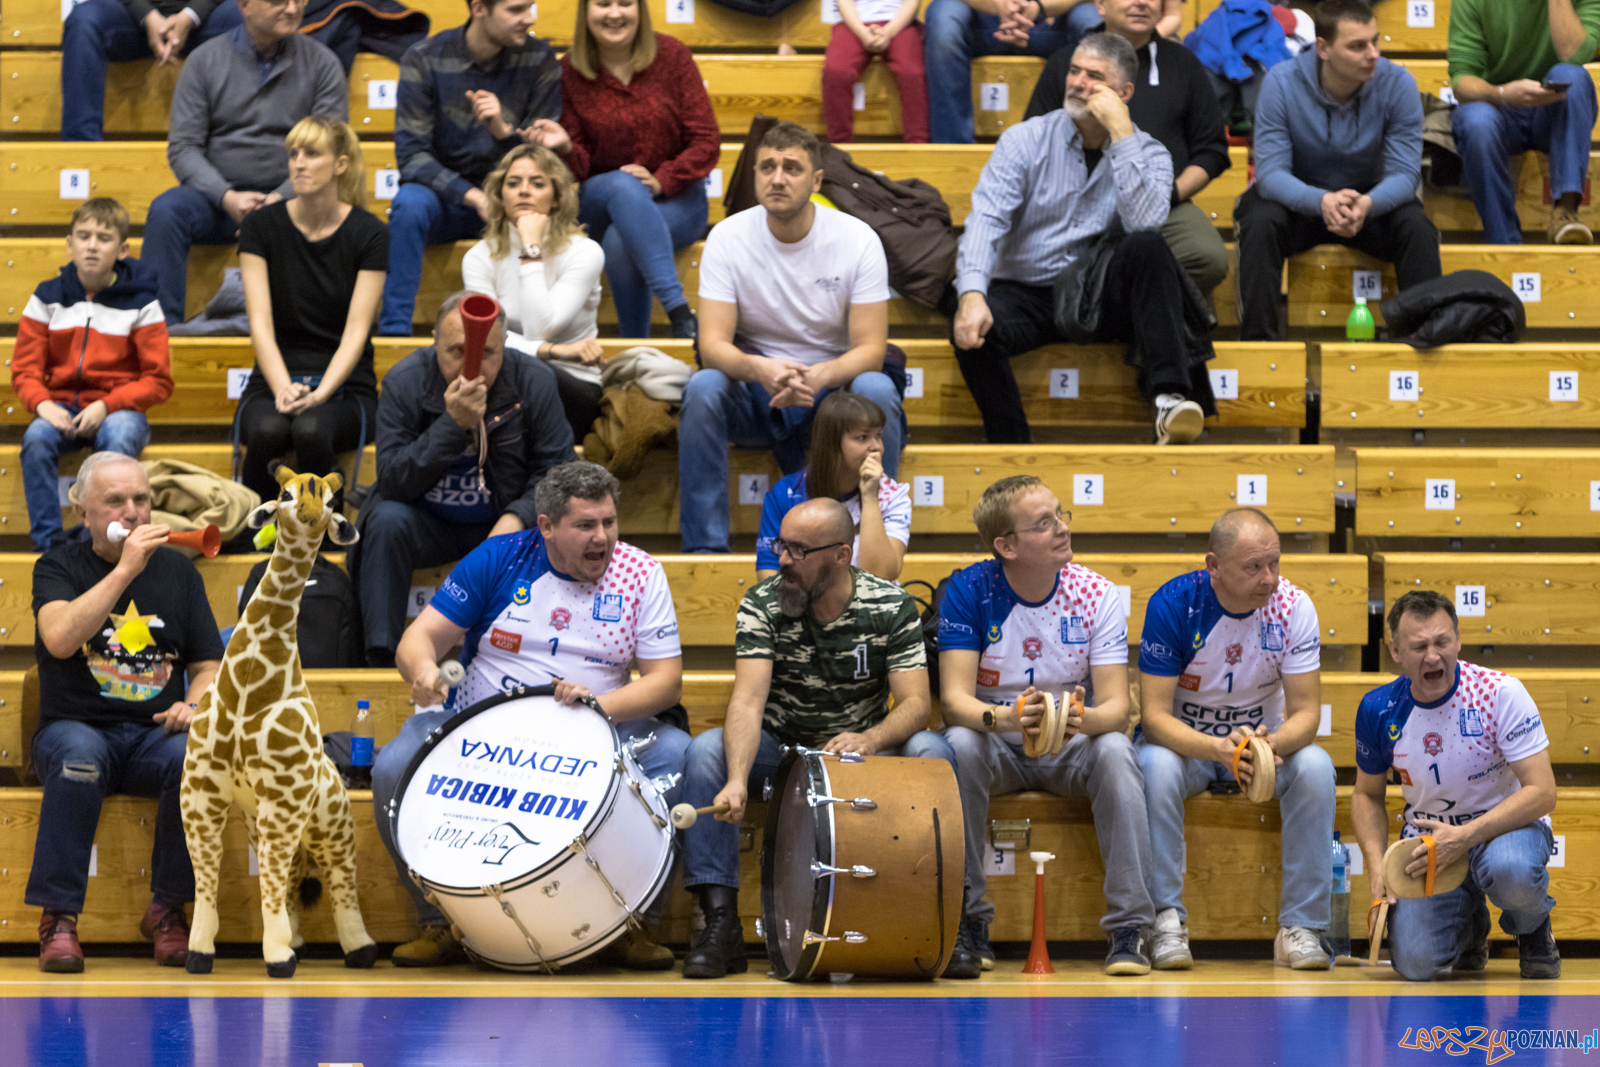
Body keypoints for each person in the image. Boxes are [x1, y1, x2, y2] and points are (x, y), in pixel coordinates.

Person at [374, 460, 688, 969]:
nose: (603, 537)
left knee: (680, 755)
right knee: (393, 767)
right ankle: (441, 923)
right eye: (586, 525)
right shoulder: (499, 558)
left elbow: (665, 681)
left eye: (609, 522)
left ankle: (632, 923)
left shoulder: (641, 572)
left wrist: (594, 706)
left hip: (599, 725)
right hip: (482, 723)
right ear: (546, 527)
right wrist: (425, 670)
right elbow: (419, 639)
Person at [679, 498, 957, 979]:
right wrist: (739, 779)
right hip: (784, 753)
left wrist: (870, 738)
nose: (784, 559)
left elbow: (915, 704)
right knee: (706, 753)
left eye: (799, 550)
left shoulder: (889, 605)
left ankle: (950, 917)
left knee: (934, 751)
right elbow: (747, 700)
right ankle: (720, 923)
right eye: (781, 545)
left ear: (840, 555)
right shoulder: (763, 603)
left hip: (863, 756)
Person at [937, 476, 1154, 979]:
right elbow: (954, 701)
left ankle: (1130, 928)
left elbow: (1117, 710)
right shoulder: (969, 590)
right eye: (1043, 523)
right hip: (999, 746)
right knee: (958, 745)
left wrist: (1075, 720)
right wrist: (1006, 718)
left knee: (1118, 751)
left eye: (1061, 515)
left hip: (1071, 749)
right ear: (1006, 546)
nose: (1061, 529)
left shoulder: (1095, 592)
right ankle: (968, 920)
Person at [946, 33, 1207, 446]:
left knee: (1148, 247)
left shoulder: (1151, 153)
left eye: (1094, 77)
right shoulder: (1024, 139)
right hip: (1025, 292)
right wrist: (972, 294)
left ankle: (1169, 400)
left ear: (1124, 93)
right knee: (972, 327)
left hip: (1093, 295)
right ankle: (1012, 446)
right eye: (1074, 71)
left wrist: (1122, 136)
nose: (1078, 83)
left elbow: (1144, 222)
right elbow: (986, 219)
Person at [29, 452, 224, 973]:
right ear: (83, 512)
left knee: (196, 759)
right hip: (75, 728)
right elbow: (61, 638)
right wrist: (124, 571)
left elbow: (208, 664)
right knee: (79, 761)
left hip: (153, 733)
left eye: (141, 499)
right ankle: (60, 920)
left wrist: (196, 702)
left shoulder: (180, 574)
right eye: (116, 500)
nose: (133, 511)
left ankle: (167, 910)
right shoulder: (57, 566)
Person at [677, 122, 904, 555]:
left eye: (791, 168)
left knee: (877, 388)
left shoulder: (857, 240)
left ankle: (877, 542)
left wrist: (819, 376)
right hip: (756, 388)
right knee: (703, 386)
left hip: (832, 393)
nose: (777, 178)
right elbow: (713, 346)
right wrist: (761, 368)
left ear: (816, 180)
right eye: (767, 167)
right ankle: (704, 550)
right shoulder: (727, 238)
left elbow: (871, 351)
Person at [1137, 507, 1335, 971]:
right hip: (1189, 748)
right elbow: (1152, 718)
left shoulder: (1294, 607)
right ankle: (1165, 920)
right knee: (1153, 765)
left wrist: (1269, 747)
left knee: (1318, 768)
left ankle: (1301, 927)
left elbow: (1306, 714)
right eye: (1253, 567)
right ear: (1214, 566)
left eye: (1275, 564)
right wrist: (1218, 750)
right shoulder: (1173, 604)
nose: (1269, 579)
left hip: (1265, 748)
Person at [349, 292, 577, 667]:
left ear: (504, 346)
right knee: (386, 520)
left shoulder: (533, 380)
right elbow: (392, 480)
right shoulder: (405, 381)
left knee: (558, 527)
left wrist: (517, 516)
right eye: (456, 351)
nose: (471, 365)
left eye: (489, 353)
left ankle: (535, 664)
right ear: (434, 342)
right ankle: (381, 659)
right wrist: (451, 424)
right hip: (429, 522)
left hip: (502, 523)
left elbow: (559, 471)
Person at [1353, 590, 1561, 981]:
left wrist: (1464, 838)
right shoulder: (1377, 709)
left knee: (1511, 871)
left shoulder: (1500, 693)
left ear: (1458, 639)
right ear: (1394, 650)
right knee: (1415, 965)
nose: (1433, 656)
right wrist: (1376, 863)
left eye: (1442, 642)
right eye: (1419, 646)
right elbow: (1366, 794)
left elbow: (1543, 792)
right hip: (1429, 840)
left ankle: (1533, 929)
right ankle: (1470, 930)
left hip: (1506, 827)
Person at [1234, 0, 1441, 341]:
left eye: (1375, 41)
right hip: (1298, 201)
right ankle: (1260, 345)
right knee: (1258, 220)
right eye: (1357, 46)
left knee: (1417, 227)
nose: (1372, 53)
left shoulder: (1398, 83)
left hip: (1369, 202)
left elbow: (1405, 175)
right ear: (1324, 49)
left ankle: (1425, 339)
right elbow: (1270, 174)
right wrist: (1323, 201)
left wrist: (1367, 204)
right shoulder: (1281, 83)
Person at [142, 0, 347, 325]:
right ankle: (158, 335)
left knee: (336, 211)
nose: (293, 9)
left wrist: (280, 199)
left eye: (300, 0)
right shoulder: (204, 60)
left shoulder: (323, 63)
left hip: (294, 199)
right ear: (245, 5)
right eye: (280, 1)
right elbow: (183, 148)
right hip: (217, 202)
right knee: (167, 211)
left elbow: (327, 148)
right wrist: (226, 196)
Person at [380, 0, 572, 336]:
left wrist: (503, 132)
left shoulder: (539, 57)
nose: (529, 19)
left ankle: (535, 336)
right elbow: (412, 157)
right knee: (409, 204)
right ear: (479, 8)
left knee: (551, 195)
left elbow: (541, 160)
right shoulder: (425, 58)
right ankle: (394, 332)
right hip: (448, 199)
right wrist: (474, 197)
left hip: (514, 196)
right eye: (516, 10)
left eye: (531, 7)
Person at [1024, 0, 1231, 295]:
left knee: (1207, 256)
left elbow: (1212, 151)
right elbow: (1034, 140)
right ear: (1100, 5)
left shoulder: (1183, 63)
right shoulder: (1068, 63)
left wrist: (1168, 194)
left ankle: (1142, 318)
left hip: (1161, 204)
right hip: (1073, 202)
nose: (1142, 2)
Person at [235, 115, 387, 507]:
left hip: (346, 384)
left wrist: (320, 394)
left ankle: (322, 536)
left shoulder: (369, 233)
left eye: (312, 154)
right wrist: (283, 387)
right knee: (268, 430)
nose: (298, 163)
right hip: (273, 377)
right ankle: (253, 537)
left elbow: (357, 332)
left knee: (310, 430)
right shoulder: (261, 226)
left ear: (340, 164)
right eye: (293, 154)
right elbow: (260, 326)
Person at [14, 199, 173, 553]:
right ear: (69, 244)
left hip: (118, 410)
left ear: (122, 249)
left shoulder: (142, 302)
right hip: (60, 407)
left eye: (103, 238)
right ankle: (49, 547)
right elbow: (24, 370)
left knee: (118, 439)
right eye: (83, 236)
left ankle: (105, 544)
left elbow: (158, 380)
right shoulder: (46, 297)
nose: (91, 245)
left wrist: (106, 405)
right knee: (36, 439)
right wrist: (41, 404)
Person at [559, 0, 719, 339]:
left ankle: (636, 347)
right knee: (623, 183)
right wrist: (564, 147)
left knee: (621, 241)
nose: (615, 13)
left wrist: (662, 180)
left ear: (640, 9)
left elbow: (706, 140)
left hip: (678, 200)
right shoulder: (569, 71)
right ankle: (679, 311)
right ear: (586, 12)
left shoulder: (673, 56)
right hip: (602, 200)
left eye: (625, 3)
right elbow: (578, 168)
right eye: (603, 4)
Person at [462, 144, 607, 442]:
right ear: (501, 197)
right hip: (505, 381)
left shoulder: (584, 252)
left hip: (575, 387)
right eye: (513, 183)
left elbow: (539, 326)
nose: (524, 191)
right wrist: (553, 350)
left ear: (556, 197)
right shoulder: (478, 257)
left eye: (537, 183)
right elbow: (485, 337)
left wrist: (531, 247)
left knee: (531, 372)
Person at [1449, 0, 1599, 245]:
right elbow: (1461, 78)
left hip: (1555, 109)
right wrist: (1501, 94)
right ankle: (1502, 238)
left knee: (1573, 76)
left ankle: (1566, 215)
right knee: (1475, 121)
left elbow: (1575, 54)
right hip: (1498, 108)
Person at [754, 392, 910, 583]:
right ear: (832, 443)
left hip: (872, 609)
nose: (876, 447)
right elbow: (768, 575)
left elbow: (879, 577)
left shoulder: (893, 495)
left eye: (878, 436)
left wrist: (870, 497)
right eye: (862, 437)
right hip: (801, 607)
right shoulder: (785, 494)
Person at [60, 0, 243, 141]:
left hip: (207, 16)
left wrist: (190, 15)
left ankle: (245, 150)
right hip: (132, 17)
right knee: (83, 22)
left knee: (248, 17)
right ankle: (79, 153)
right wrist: (147, 15)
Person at [923, 0, 1104, 143]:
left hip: (1053, 17)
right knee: (944, 20)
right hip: (982, 16)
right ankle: (953, 150)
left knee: (1094, 22)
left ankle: (1088, 147)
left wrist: (1041, 7)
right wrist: (998, 5)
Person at [824, 0, 929, 144]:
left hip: (900, 23)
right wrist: (862, 32)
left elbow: (912, 3)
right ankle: (839, 144)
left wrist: (888, 32)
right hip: (854, 24)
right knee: (836, 71)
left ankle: (918, 142)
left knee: (912, 72)